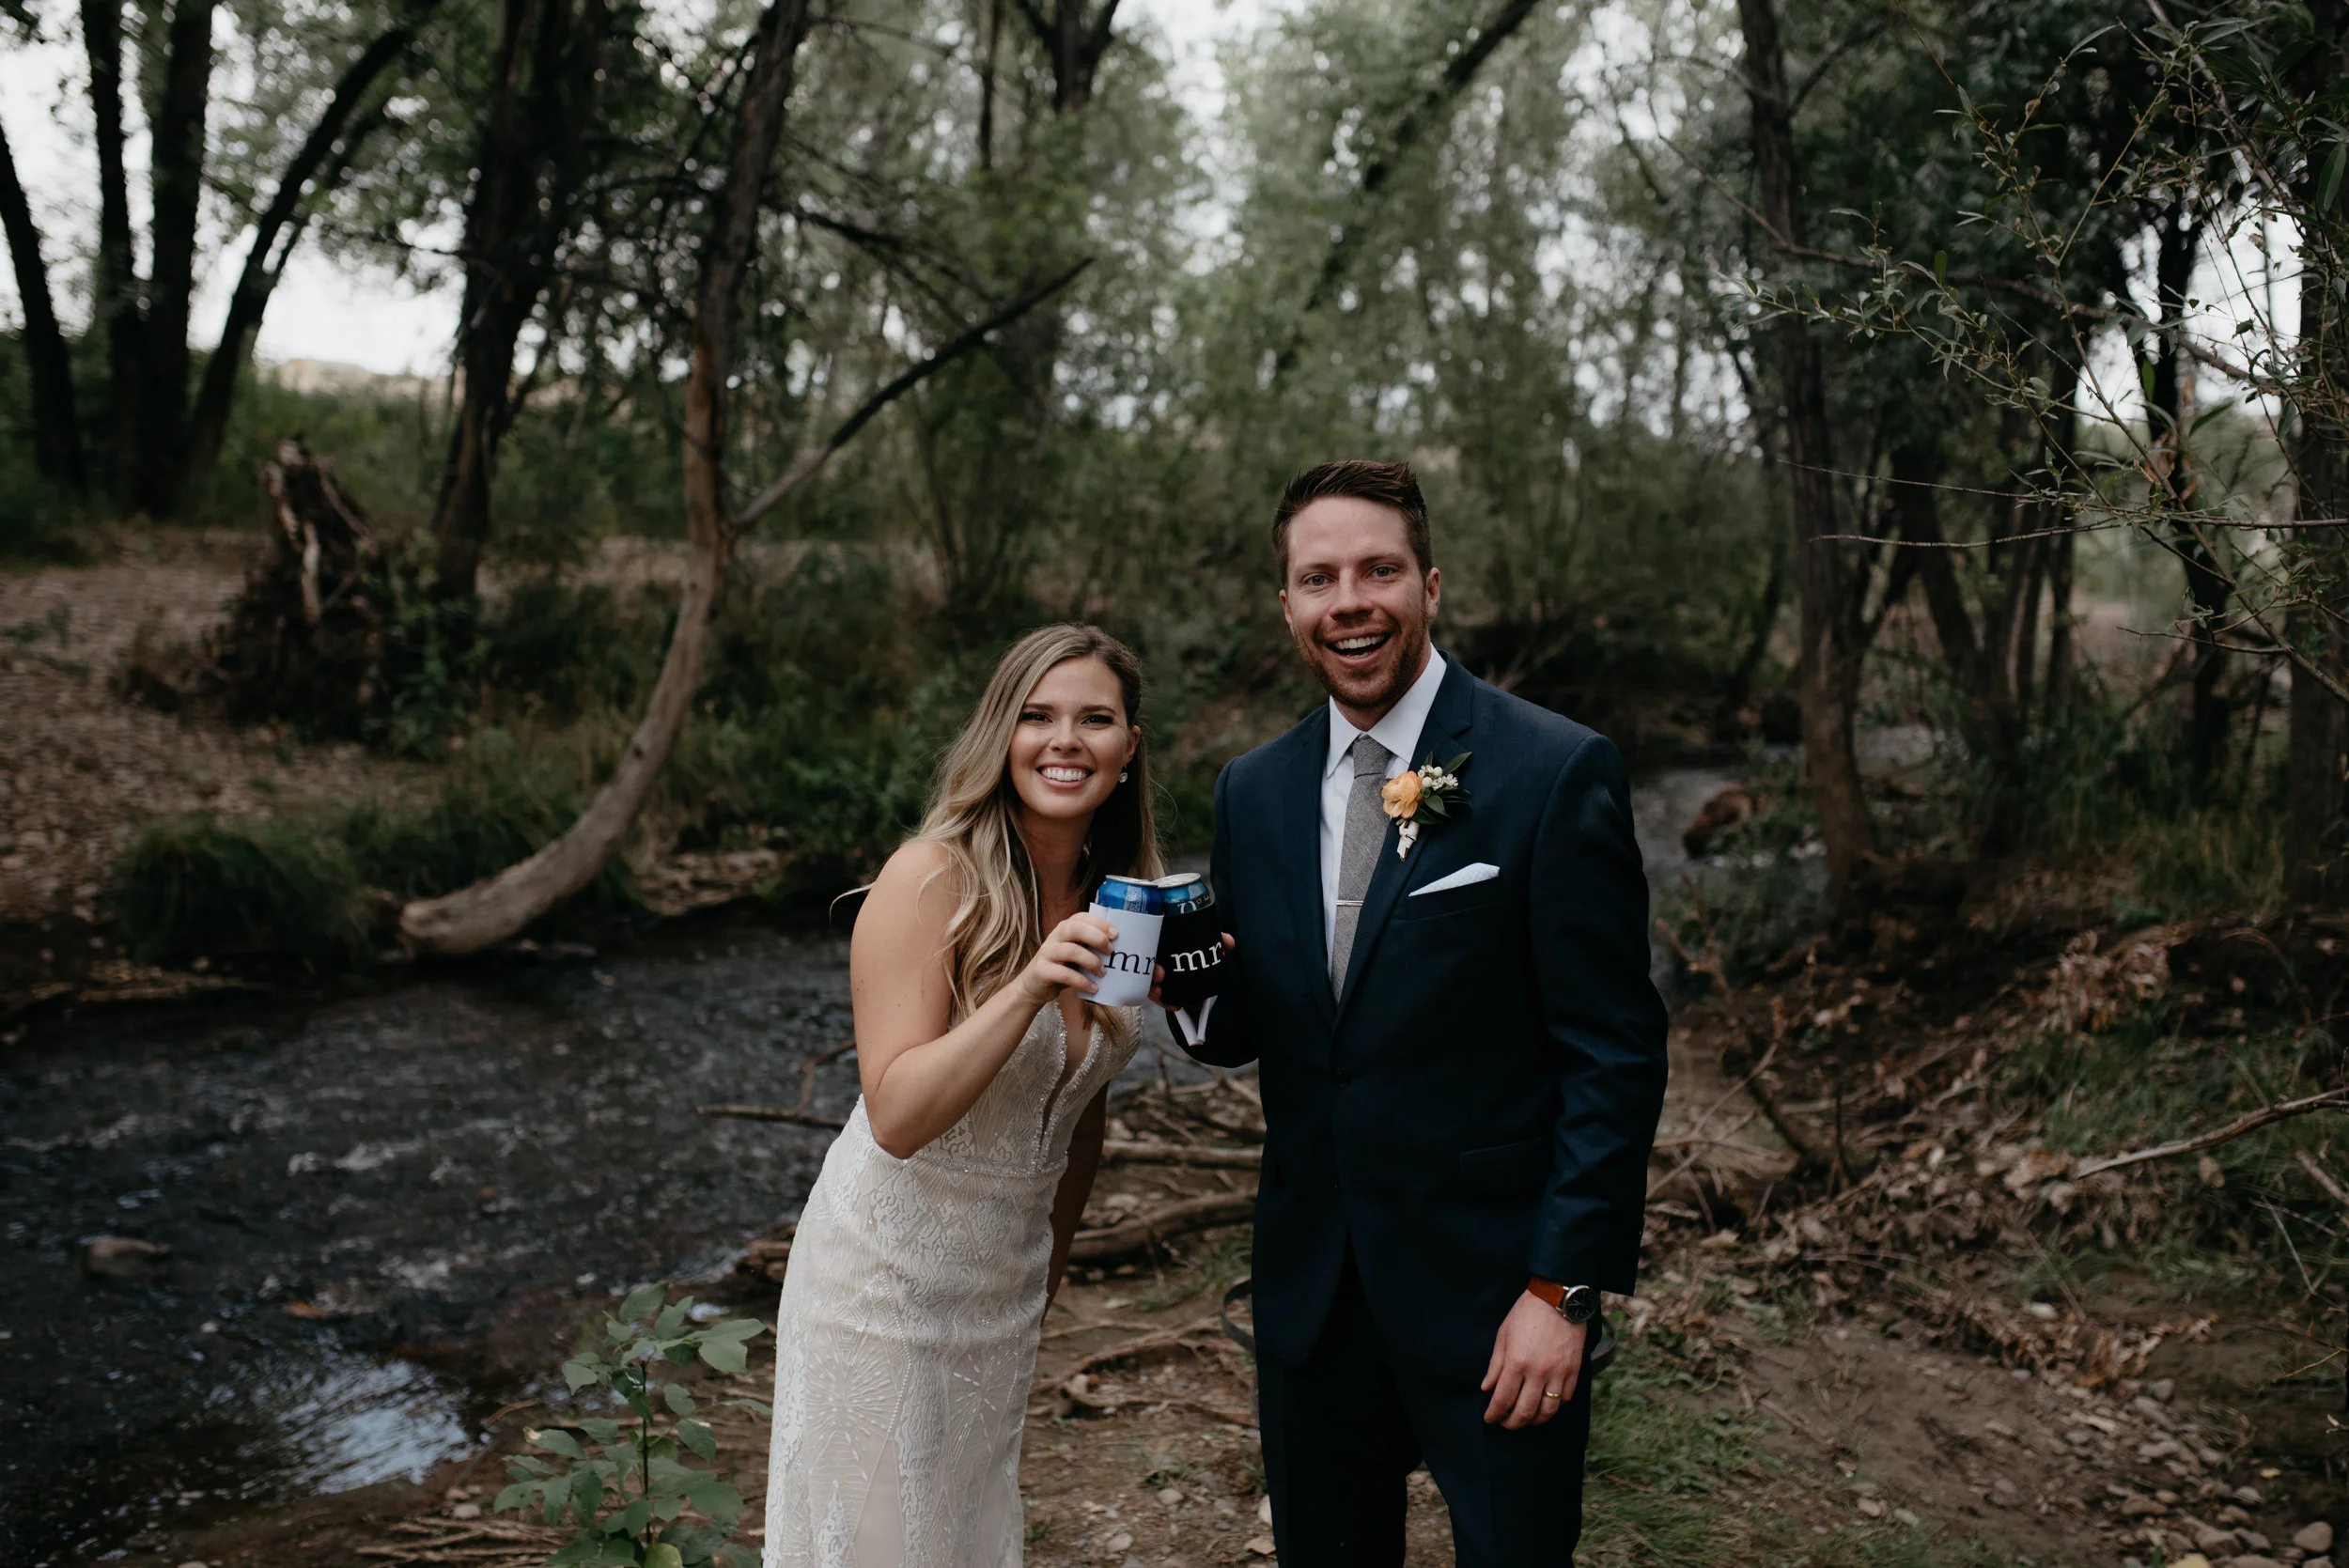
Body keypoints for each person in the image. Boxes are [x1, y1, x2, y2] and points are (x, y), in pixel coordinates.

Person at [1175, 460, 1670, 1566]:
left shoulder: (1553, 769)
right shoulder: (1248, 790)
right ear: (1290, 606)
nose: (1348, 600)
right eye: (1318, 578)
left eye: (1377, 570)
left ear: (1429, 586)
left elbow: (1616, 1050)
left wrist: (1564, 1285)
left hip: (1498, 1299)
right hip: (1311, 1300)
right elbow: (1272, 1025)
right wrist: (1169, 978)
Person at [762, 624, 1161, 1567]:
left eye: (1094, 718)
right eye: (1038, 716)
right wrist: (1026, 985)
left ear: (1128, 748)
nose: (1065, 739)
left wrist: (1047, 1272)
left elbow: (1081, 1107)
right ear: (1001, 733)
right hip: (880, 1286)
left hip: (1003, 1293)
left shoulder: (1125, 901)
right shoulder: (930, 878)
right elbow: (896, 1115)